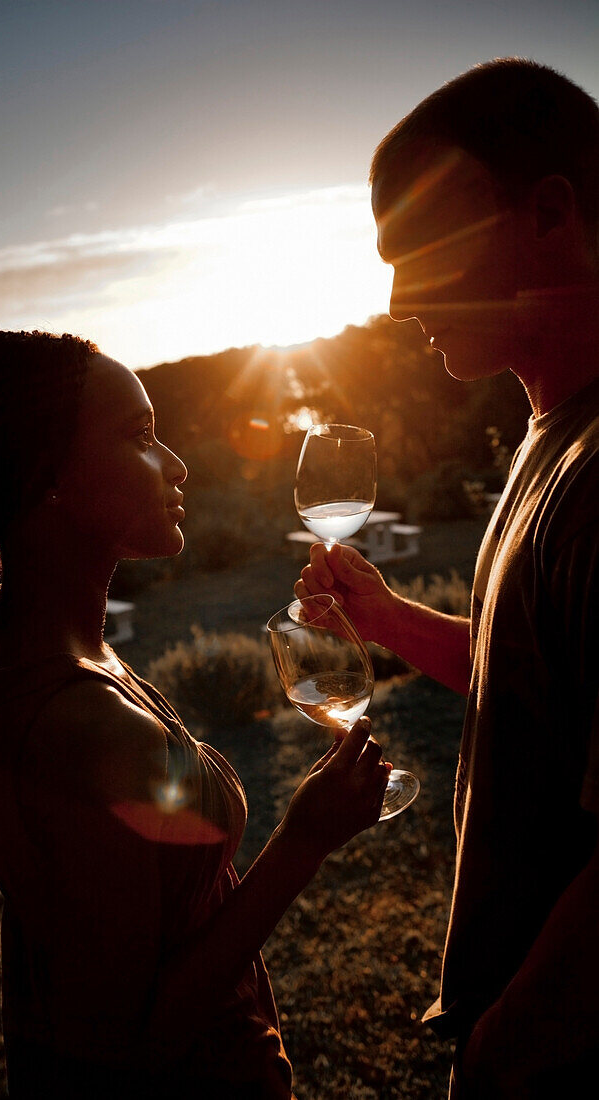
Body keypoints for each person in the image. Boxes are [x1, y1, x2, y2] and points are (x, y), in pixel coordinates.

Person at [0, 330, 391, 1099]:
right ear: (46, 477)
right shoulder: (86, 732)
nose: (177, 464)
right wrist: (304, 841)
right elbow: (135, 1037)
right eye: (142, 437)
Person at [296, 58, 599, 1097]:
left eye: (423, 247)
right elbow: (540, 683)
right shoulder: (549, 432)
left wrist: (509, 1045)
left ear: (549, 212)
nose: (395, 297)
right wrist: (385, 618)